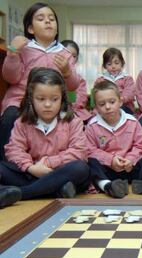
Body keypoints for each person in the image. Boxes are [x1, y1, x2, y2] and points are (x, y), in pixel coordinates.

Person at [0, 2, 81, 160]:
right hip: (21, 102)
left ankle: (57, 164)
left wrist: (66, 72)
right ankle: (7, 168)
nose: (48, 21)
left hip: (54, 104)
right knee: (9, 118)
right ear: (30, 28)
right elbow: (11, 77)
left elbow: (73, 87)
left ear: (57, 27)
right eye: (41, 18)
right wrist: (13, 52)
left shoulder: (65, 54)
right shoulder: (23, 49)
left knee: (72, 121)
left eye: (52, 18)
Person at [0, 67, 89, 208]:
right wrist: (30, 167)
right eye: (41, 99)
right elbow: (14, 150)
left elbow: (79, 151)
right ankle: (54, 190)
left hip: (60, 171)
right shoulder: (22, 122)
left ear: (62, 99)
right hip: (31, 172)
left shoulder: (73, 121)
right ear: (31, 99)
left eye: (54, 99)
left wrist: (49, 163)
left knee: (81, 168)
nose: (48, 105)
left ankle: (22, 193)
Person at [86, 80, 142, 198]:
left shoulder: (132, 122)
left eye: (112, 102)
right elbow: (90, 150)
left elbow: (141, 146)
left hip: (130, 167)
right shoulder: (92, 126)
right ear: (96, 108)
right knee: (90, 163)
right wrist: (111, 160)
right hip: (108, 170)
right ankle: (107, 186)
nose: (108, 107)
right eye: (102, 104)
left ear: (120, 102)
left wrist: (130, 159)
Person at [94, 48, 136, 114]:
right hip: (106, 105)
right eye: (109, 64)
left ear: (122, 63)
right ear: (105, 66)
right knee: (96, 114)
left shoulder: (127, 78)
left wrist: (120, 100)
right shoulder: (100, 80)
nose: (113, 66)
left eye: (116, 63)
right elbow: (96, 95)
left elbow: (130, 93)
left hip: (124, 107)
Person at [61, 40, 92, 123]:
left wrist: (71, 105)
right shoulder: (52, 76)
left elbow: (81, 98)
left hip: (76, 112)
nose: (70, 58)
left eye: (73, 56)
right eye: (66, 54)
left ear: (77, 59)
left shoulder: (80, 79)